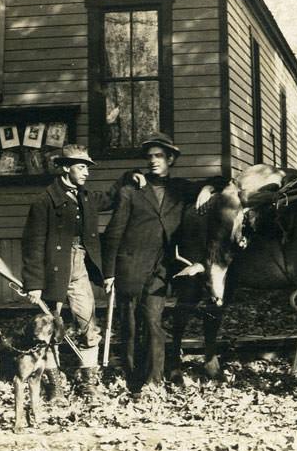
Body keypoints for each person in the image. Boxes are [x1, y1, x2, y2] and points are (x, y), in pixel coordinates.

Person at [21, 144, 135, 402]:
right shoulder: (44, 201)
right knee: (50, 330)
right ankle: (55, 386)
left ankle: (88, 383)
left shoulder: (86, 197)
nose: (86, 172)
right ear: (65, 168)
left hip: (80, 268)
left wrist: (129, 176)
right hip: (53, 272)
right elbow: (33, 244)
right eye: (81, 167)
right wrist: (34, 283)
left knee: (88, 324)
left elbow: (112, 196)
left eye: (86, 167)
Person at [101, 133, 199, 394]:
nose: (153, 161)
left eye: (159, 156)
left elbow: (215, 185)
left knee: (154, 323)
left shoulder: (180, 190)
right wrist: (109, 273)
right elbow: (113, 233)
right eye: (150, 157)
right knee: (131, 326)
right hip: (130, 268)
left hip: (161, 268)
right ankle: (133, 380)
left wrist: (211, 189)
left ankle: (153, 381)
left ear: (171, 159)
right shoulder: (130, 191)